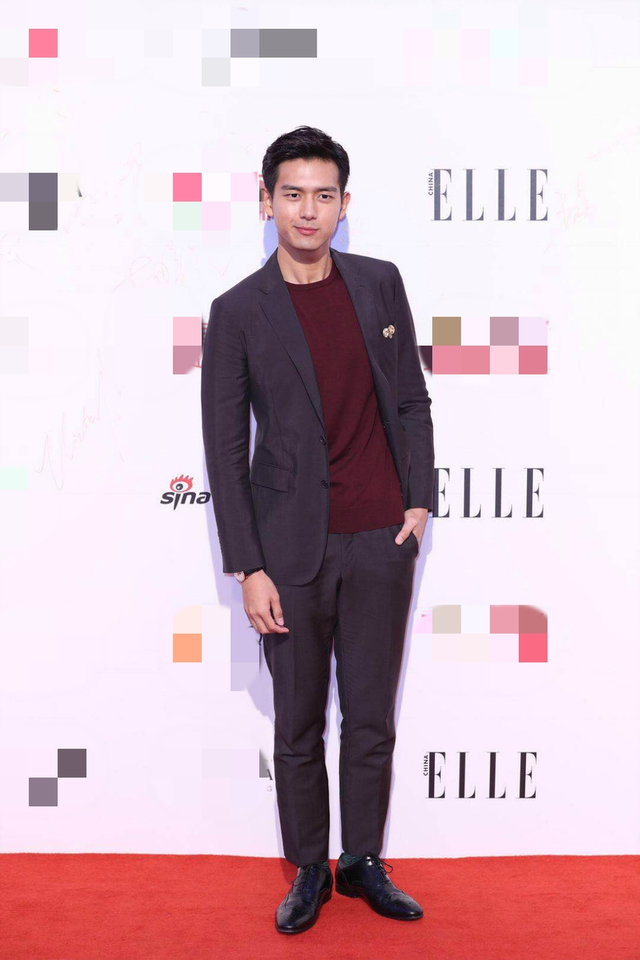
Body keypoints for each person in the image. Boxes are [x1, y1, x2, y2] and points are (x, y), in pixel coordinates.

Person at [201, 125, 435, 934]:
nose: (309, 210)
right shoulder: (238, 311)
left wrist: (418, 498)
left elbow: (410, 398)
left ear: (344, 203)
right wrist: (249, 567)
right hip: (289, 552)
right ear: (266, 202)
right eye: (293, 194)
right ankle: (309, 868)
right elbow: (226, 451)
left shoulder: (380, 284)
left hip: (380, 541)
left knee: (371, 717)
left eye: (324, 195)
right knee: (298, 723)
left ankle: (362, 859)